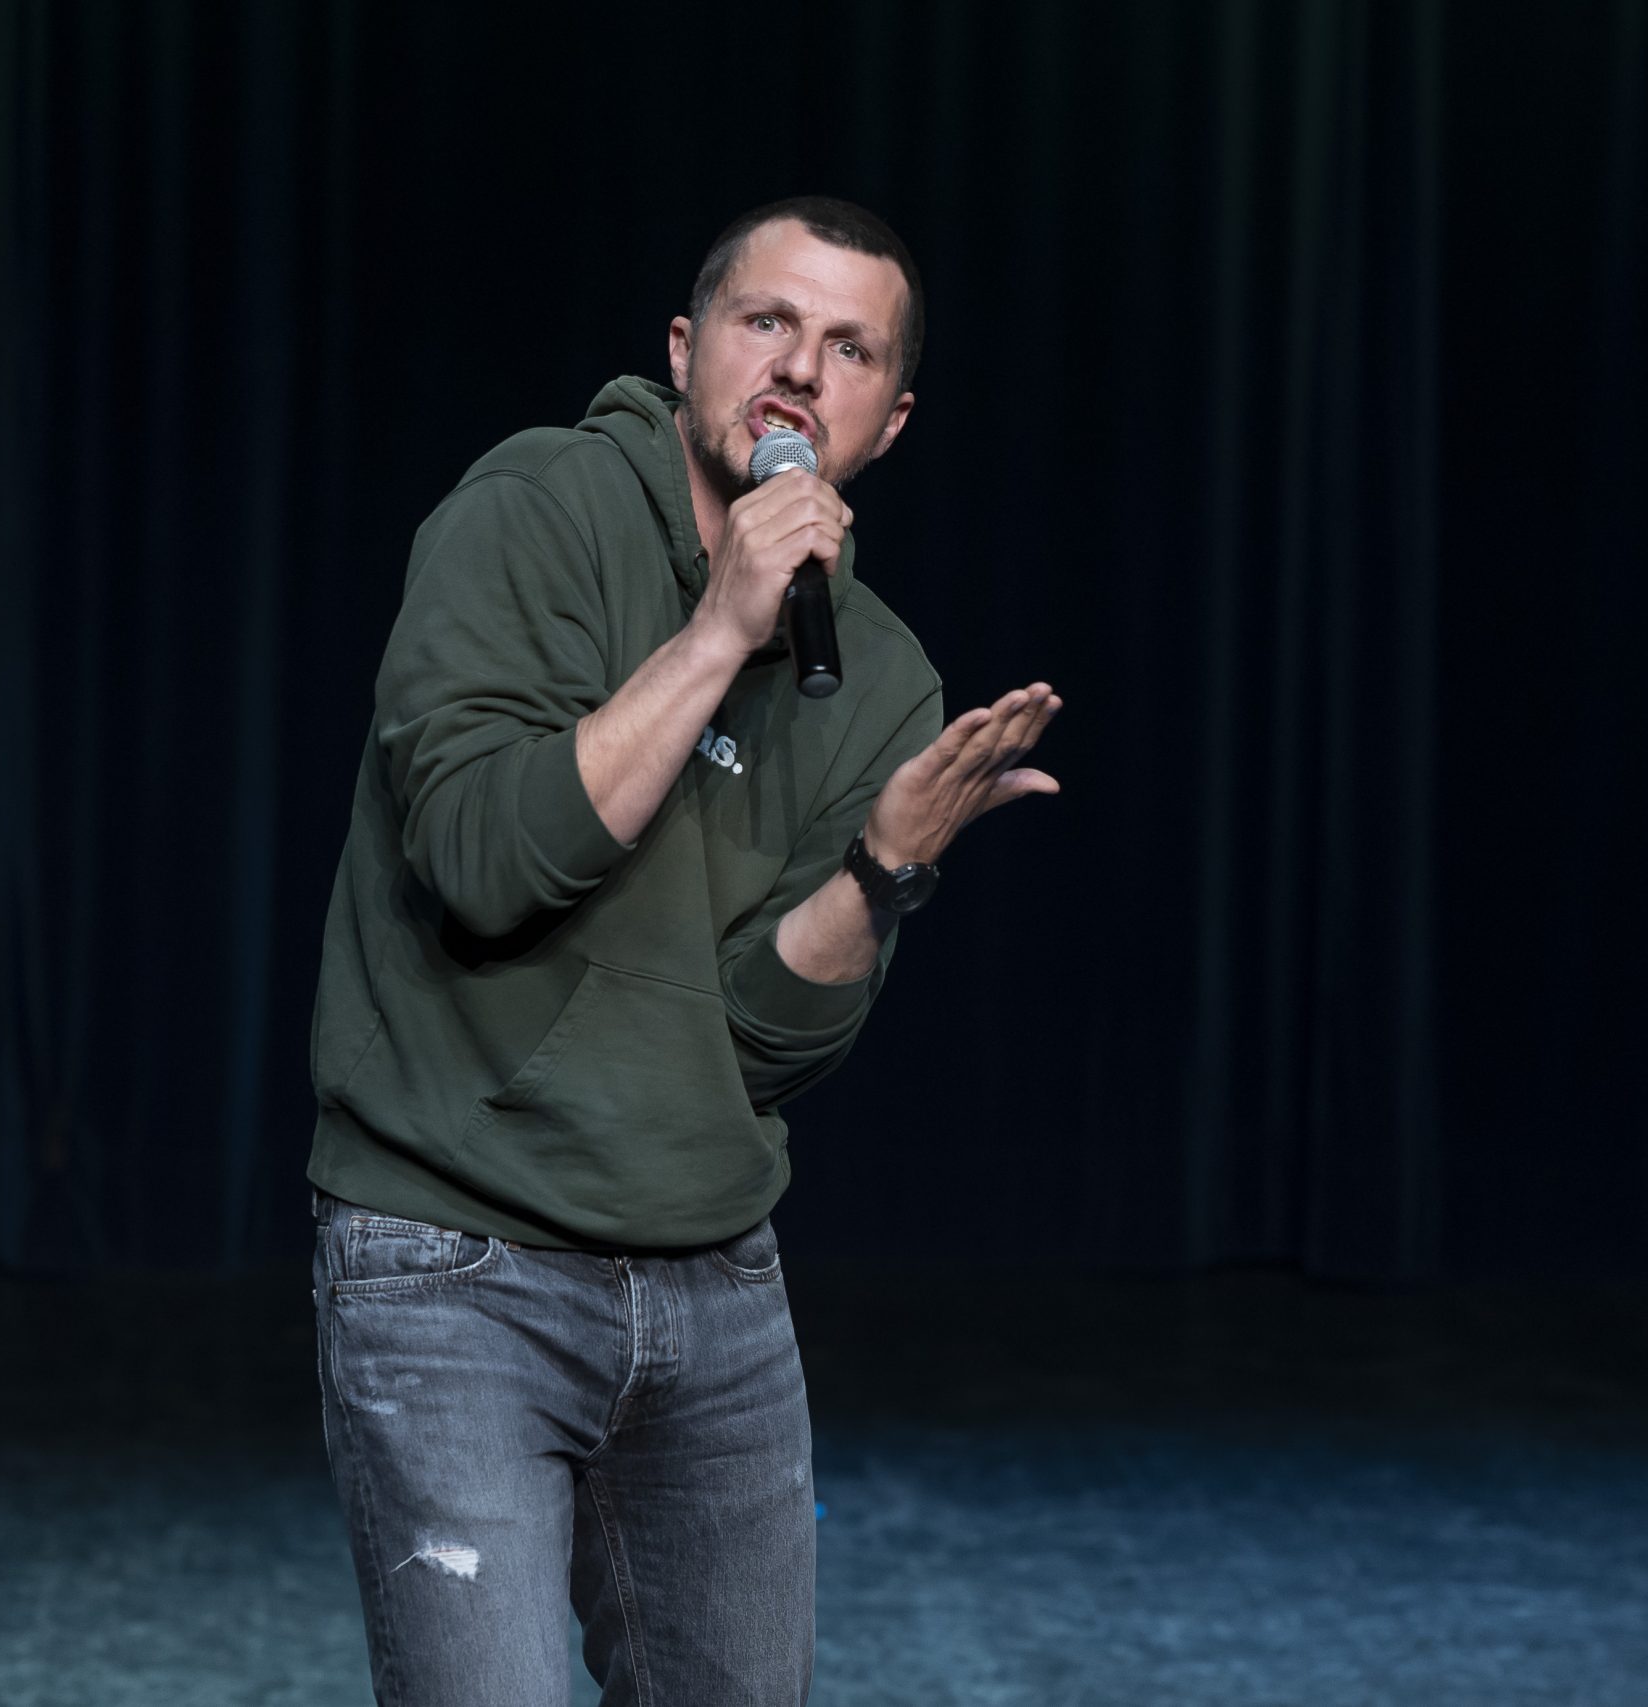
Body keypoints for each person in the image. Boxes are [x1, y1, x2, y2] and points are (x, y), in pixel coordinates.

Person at [305, 195, 1063, 1705]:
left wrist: (883, 872)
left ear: (889, 422)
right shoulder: (535, 511)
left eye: (849, 350)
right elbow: (481, 866)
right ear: (684, 346)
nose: (800, 370)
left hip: (715, 1282)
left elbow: (764, 1045)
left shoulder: (880, 677)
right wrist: (719, 632)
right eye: (766, 321)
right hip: (456, 1260)